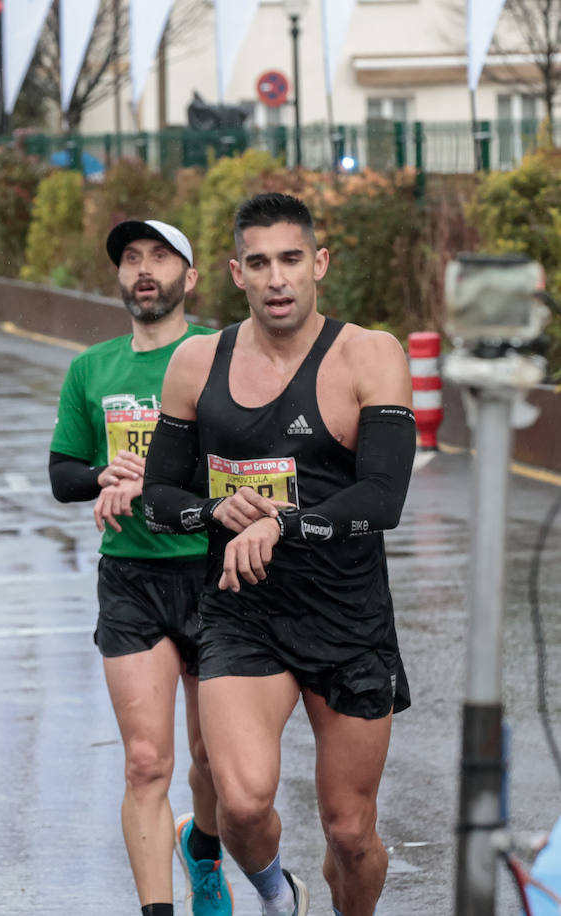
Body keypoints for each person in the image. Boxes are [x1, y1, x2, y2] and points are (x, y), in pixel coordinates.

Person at [142, 193, 416, 916]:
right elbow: (158, 497)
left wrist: (280, 526)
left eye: (291, 259)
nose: (277, 278)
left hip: (348, 616)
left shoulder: (370, 355)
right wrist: (214, 511)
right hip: (244, 612)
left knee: (350, 831)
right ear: (236, 272)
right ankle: (275, 893)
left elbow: (383, 499)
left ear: (319, 263)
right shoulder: (197, 363)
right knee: (239, 804)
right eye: (258, 263)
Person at [50, 219, 229, 916]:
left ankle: (206, 855)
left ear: (192, 276)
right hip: (131, 577)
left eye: (160, 257)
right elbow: (62, 473)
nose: (144, 269)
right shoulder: (91, 368)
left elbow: (244, 461)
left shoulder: (220, 357)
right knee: (146, 762)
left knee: (213, 761)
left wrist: (157, 483)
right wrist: (103, 475)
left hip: (214, 574)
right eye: (131, 258)